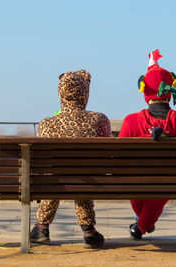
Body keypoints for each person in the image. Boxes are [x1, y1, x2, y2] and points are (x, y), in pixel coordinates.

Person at [119, 49, 176, 240]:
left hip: (136, 182)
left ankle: (141, 226)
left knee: (139, 180)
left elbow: (119, 159)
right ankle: (143, 223)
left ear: (145, 90)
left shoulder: (131, 122)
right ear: (171, 90)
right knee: (167, 180)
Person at [30, 70, 111, 248]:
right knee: (81, 174)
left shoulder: (46, 124)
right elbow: (108, 154)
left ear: (60, 92)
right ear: (85, 94)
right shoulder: (99, 120)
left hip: (55, 182)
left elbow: (43, 163)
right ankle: (89, 232)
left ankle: (41, 228)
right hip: (91, 181)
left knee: (56, 176)